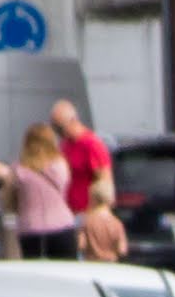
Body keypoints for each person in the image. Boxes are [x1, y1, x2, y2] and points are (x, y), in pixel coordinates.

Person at [11, 121, 77, 257]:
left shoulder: (18, 170)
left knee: (35, 269)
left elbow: (10, 201)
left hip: (30, 229)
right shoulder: (60, 165)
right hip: (62, 225)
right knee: (66, 268)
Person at [48, 95, 114, 230]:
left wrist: (96, 214)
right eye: (55, 128)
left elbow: (104, 183)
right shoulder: (65, 145)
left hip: (87, 215)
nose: (58, 133)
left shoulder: (92, 145)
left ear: (73, 121)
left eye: (60, 128)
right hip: (68, 214)